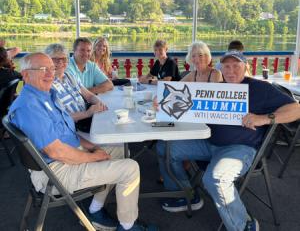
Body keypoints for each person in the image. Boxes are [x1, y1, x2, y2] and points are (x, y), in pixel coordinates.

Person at [8, 52, 158, 231]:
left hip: (66, 157)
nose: (50, 74)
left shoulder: (47, 95)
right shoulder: (29, 106)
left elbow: (67, 134)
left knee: (118, 149)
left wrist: (94, 147)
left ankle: (94, 210)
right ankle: (127, 226)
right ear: (25, 74)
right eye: (42, 69)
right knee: (130, 168)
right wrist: (94, 157)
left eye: (51, 68)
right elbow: (57, 152)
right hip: (55, 172)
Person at [156, 50, 300, 231]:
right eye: (226, 66)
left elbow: (296, 109)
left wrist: (264, 118)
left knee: (215, 178)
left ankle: (243, 225)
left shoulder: (260, 88)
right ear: (221, 68)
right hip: (207, 142)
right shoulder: (218, 88)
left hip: (240, 148)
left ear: (245, 67)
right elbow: (187, 108)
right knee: (165, 148)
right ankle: (186, 194)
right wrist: (162, 105)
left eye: (236, 66)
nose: (231, 70)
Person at [44, 43, 107, 133]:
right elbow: (59, 117)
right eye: (55, 59)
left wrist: (101, 104)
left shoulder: (69, 76)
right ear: (47, 61)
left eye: (64, 59)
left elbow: (89, 96)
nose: (60, 62)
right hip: (73, 128)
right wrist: (87, 113)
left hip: (88, 119)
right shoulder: (47, 85)